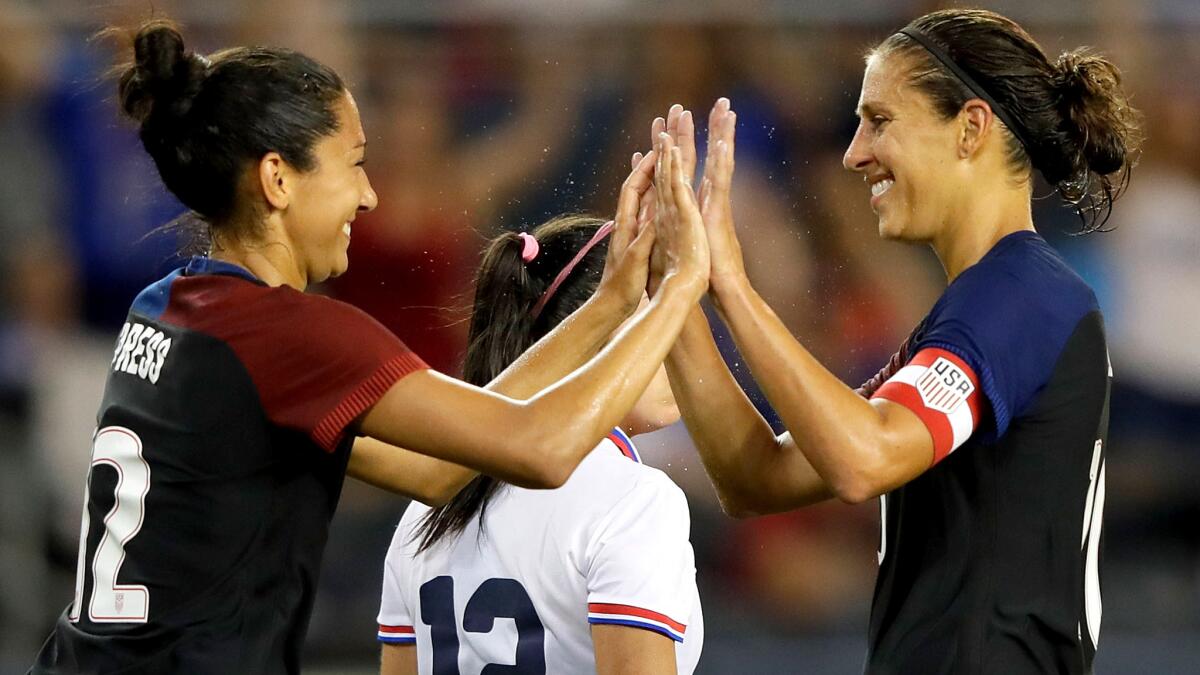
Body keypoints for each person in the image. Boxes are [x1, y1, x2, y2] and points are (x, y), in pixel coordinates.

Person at [31, 20, 709, 675]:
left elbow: (440, 469)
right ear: (277, 179)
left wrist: (610, 306)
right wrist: (679, 288)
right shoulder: (294, 335)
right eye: (353, 163)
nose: (368, 193)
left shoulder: (165, 308)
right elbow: (541, 447)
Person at [660, 9, 1138, 673]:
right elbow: (756, 478)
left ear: (971, 128)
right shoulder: (979, 311)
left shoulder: (1022, 297)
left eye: (879, 120)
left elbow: (863, 457)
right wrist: (682, 293)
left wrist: (736, 286)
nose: (855, 152)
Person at [377, 213, 703, 675]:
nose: (679, 339)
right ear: (603, 331)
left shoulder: (425, 513)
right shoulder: (634, 502)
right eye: (660, 316)